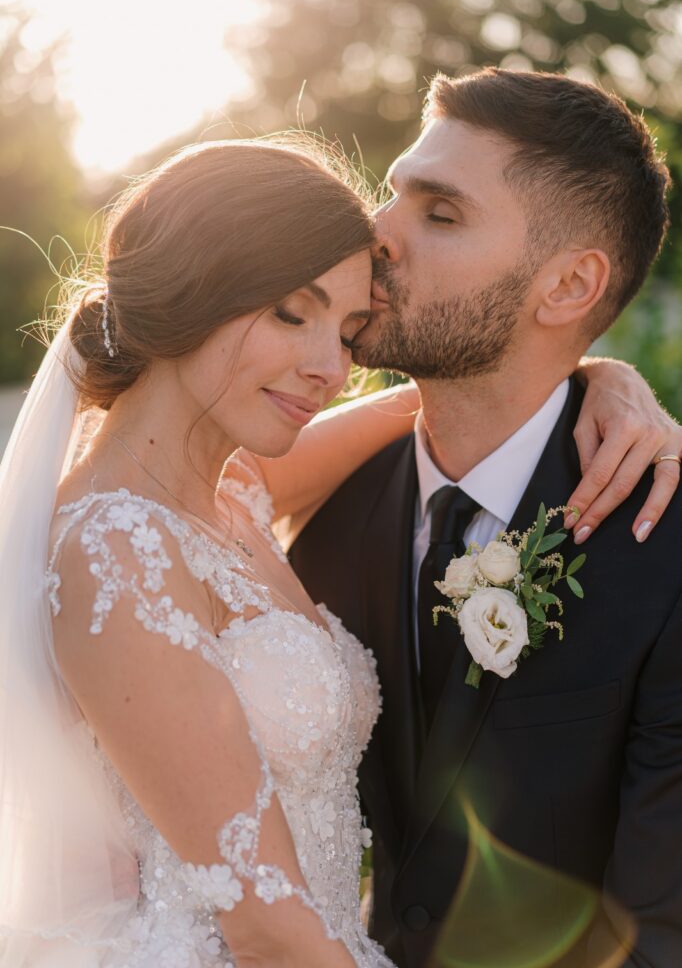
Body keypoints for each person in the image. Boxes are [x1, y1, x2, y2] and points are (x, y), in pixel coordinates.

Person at [0, 132, 676, 968]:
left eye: (350, 330)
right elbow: (267, 926)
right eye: (293, 312)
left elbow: (452, 405)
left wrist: (595, 375)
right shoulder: (114, 547)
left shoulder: (232, 486)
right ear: (189, 292)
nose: (329, 367)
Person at [287, 69, 682, 968]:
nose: (375, 233)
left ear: (570, 284)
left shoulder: (669, 551)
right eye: (393, 194)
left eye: (441, 213)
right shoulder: (329, 514)